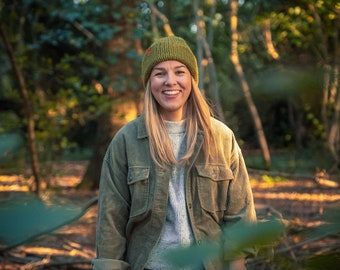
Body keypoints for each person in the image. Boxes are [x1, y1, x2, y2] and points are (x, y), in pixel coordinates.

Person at [93, 35, 257, 270]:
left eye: (179, 72)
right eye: (160, 73)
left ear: (191, 79)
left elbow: (239, 215)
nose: (170, 81)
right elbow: (111, 220)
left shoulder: (221, 137)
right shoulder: (126, 141)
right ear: (149, 81)